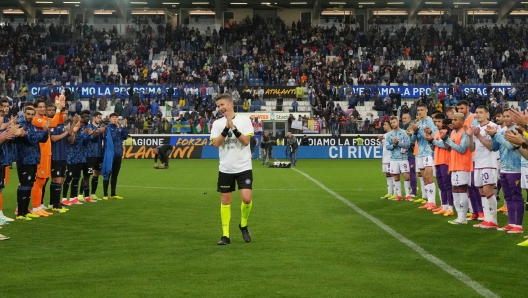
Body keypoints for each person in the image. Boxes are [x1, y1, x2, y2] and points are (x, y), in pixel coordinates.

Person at [210, 94, 254, 245]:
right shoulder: (217, 124)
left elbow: (246, 141)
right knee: (225, 200)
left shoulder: (244, 120)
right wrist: (225, 129)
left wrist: (233, 127)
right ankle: (225, 235)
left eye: (222, 105)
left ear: (230, 103)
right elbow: (216, 144)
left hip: (244, 167)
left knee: (247, 199)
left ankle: (243, 224)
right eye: (218, 106)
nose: (220, 108)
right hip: (226, 168)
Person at [487, 109, 524, 233]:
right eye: (504, 116)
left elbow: (510, 145)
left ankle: (518, 225)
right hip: (503, 168)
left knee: (516, 196)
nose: (505, 118)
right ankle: (511, 223)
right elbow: (494, 147)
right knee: (507, 197)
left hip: (515, 168)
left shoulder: (518, 130)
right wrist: (493, 137)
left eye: (508, 116)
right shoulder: (501, 131)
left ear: (514, 117)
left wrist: (495, 135)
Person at [15, 105, 51, 220]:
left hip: (33, 159)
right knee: (24, 185)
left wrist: (45, 131)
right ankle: (20, 213)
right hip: (25, 159)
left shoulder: (33, 126)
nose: (30, 116)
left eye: (32, 114)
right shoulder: (21, 126)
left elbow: (43, 139)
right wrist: (43, 131)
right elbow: (31, 139)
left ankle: (25, 210)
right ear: (24, 114)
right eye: (28, 114)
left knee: (29, 185)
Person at [466, 106, 499, 229]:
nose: (478, 115)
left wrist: (478, 135)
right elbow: (471, 149)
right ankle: (487, 218)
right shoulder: (477, 128)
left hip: (489, 162)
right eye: (477, 113)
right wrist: (470, 136)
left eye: (481, 112)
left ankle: (493, 220)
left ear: (487, 114)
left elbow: (492, 146)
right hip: (478, 163)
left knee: (488, 190)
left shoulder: (493, 127)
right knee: (481, 191)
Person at [31, 99, 65, 216]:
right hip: (41, 153)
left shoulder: (44, 119)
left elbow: (59, 121)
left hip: (47, 153)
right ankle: (35, 207)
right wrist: (58, 109)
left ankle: (39, 206)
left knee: (43, 180)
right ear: (35, 108)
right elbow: (53, 124)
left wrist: (60, 108)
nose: (42, 109)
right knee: (39, 181)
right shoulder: (36, 119)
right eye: (39, 107)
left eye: (43, 107)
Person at [440, 112, 472, 225]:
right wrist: (445, 139)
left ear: (462, 121)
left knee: (462, 191)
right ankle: (459, 216)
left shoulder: (465, 133)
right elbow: (449, 148)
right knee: (455, 191)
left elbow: (462, 149)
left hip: (463, 165)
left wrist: (448, 141)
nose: (452, 122)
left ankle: (463, 217)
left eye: (455, 120)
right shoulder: (453, 132)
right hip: (454, 165)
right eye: (452, 120)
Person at [408, 103, 438, 210]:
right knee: (424, 178)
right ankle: (429, 201)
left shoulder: (430, 121)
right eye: (418, 110)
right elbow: (412, 141)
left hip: (429, 152)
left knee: (429, 177)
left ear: (426, 110)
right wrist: (414, 132)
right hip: (420, 153)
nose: (419, 112)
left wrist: (418, 131)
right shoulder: (418, 123)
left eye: (421, 110)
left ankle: (433, 202)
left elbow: (431, 135)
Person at [429, 114, 454, 217]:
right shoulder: (436, 133)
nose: (437, 123)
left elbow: (446, 146)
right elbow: (433, 148)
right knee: (441, 185)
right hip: (437, 161)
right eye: (436, 121)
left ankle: (450, 208)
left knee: (447, 185)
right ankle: (444, 206)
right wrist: (431, 142)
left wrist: (433, 141)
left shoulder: (449, 132)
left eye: (439, 121)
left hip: (446, 161)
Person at [101, 113, 128, 200]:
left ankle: (113, 193)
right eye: (113, 118)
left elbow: (124, 137)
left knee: (115, 174)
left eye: (116, 117)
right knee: (107, 174)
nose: (115, 119)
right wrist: (119, 128)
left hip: (118, 154)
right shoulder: (107, 128)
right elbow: (113, 136)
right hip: (109, 154)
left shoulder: (119, 128)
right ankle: (105, 194)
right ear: (110, 119)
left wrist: (124, 127)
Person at [385, 116, 412, 201]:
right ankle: (399, 195)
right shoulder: (389, 135)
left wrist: (398, 142)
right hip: (393, 159)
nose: (393, 124)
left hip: (403, 158)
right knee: (396, 177)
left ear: (398, 122)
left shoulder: (404, 133)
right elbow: (388, 147)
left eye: (394, 122)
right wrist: (394, 144)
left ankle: (408, 195)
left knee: (406, 176)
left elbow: (408, 145)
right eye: (391, 123)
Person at [49, 108, 70, 212]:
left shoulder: (65, 126)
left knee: (61, 180)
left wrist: (72, 132)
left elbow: (70, 141)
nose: (65, 116)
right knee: (56, 179)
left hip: (63, 156)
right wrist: (67, 132)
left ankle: (54, 202)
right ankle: (55, 205)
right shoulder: (54, 125)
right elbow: (53, 138)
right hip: (55, 156)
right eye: (63, 113)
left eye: (66, 114)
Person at [379, 120, 393, 199]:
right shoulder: (384, 135)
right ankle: (389, 193)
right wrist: (380, 141)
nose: (383, 126)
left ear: (389, 125)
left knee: (393, 175)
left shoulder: (392, 134)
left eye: (385, 124)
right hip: (385, 158)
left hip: (391, 158)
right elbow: (381, 147)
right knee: (387, 175)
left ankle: (396, 193)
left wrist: (383, 137)